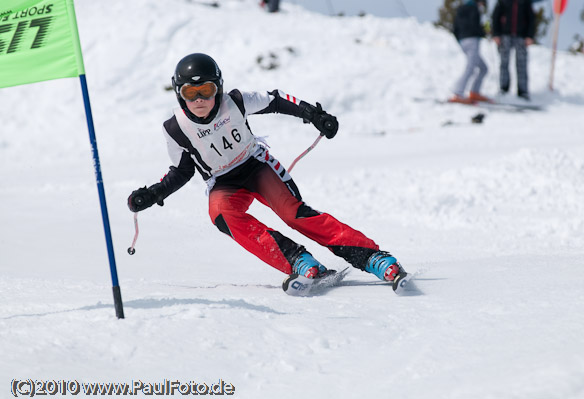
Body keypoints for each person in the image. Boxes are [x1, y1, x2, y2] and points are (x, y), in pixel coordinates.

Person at [127, 53, 407, 286]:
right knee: (221, 215)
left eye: (206, 91)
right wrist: (154, 194)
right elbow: (181, 170)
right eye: (191, 93)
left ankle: (372, 257)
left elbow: (276, 100)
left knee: (293, 214)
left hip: (257, 166)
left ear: (218, 89)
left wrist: (314, 115)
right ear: (179, 95)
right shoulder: (176, 129)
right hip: (224, 183)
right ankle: (297, 260)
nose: (199, 99)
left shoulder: (235, 101)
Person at [491, 0, 535, 100]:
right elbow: (496, 16)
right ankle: (504, 88)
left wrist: (529, 35)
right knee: (504, 62)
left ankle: (523, 91)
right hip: (505, 35)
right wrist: (496, 34)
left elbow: (531, 18)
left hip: (521, 36)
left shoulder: (525, 2)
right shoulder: (503, 1)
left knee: (522, 63)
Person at [449, 0, 491, 104]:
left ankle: (474, 92)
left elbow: (455, 28)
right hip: (472, 40)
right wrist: (484, 32)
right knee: (471, 67)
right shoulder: (474, 9)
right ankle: (458, 92)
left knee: (483, 68)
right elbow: (474, 25)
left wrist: (460, 40)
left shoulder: (461, 9)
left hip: (463, 41)